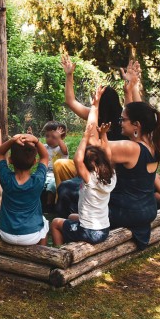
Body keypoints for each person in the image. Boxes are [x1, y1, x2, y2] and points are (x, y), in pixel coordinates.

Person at [51, 87, 117, 245]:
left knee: (55, 223)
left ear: (87, 166)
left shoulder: (90, 179)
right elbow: (107, 154)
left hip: (89, 231)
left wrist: (85, 137)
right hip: (104, 229)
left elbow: (77, 159)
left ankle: (61, 252)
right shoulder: (111, 176)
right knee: (71, 217)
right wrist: (103, 134)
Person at [104, 100, 160, 249]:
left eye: (123, 119)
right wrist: (131, 89)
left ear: (136, 125)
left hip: (128, 212)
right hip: (148, 209)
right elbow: (142, 111)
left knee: (75, 202)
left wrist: (94, 111)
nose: (120, 123)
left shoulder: (131, 148)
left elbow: (94, 147)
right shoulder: (153, 144)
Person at [0, 133, 49, 246]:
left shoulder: (5, 178)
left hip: (6, 234)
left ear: (10, 160)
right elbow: (45, 157)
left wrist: (12, 140)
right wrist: (36, 141)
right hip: (31, 235)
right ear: (34, 162)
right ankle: (41, 250)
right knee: (45, 222)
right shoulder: (38, 180)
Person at [42, 122, 68, 209]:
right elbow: (36, 147)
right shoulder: (45, 147)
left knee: (52, 184)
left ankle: (49, 205)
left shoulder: (61, 147)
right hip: (46, 172)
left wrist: (59, 138)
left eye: (53, 137)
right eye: (47, 136)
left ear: (62, 137)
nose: (49, 139)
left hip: (57, 174)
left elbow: (65, 151)